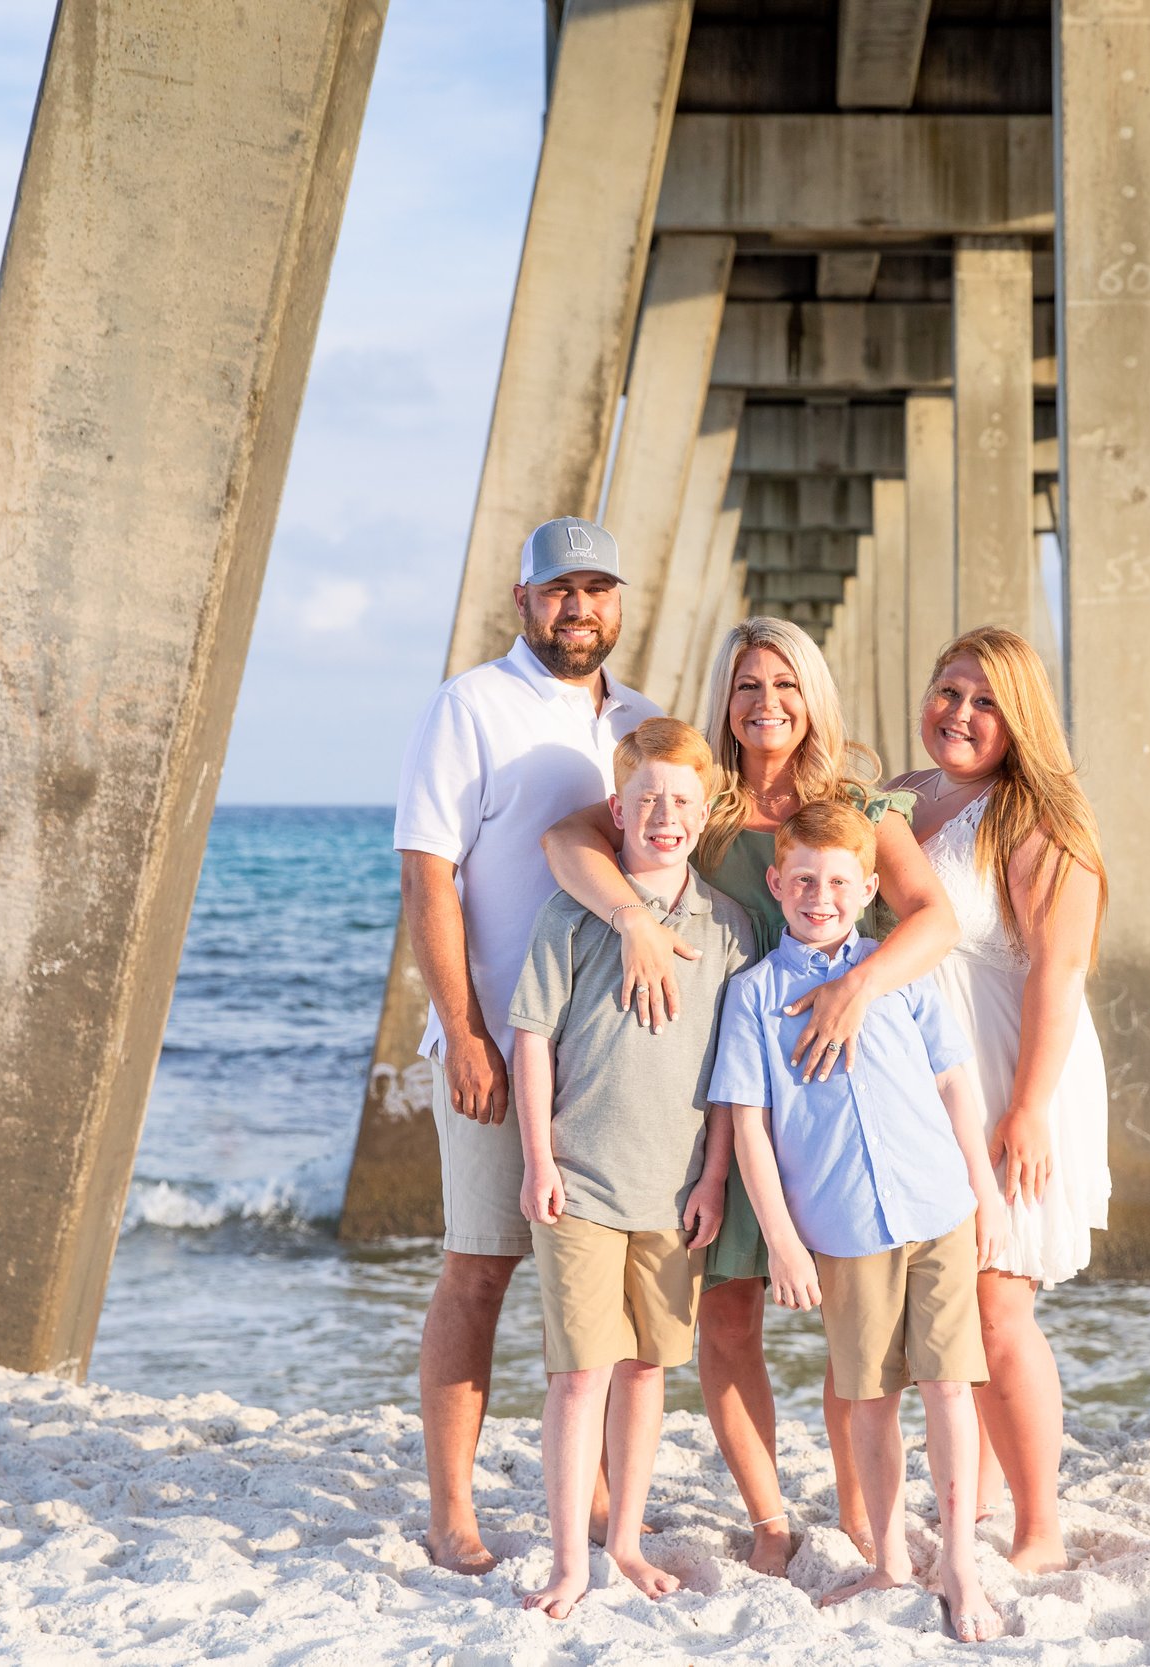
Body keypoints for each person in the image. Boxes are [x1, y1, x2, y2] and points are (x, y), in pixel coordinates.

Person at [539, 616, 960, 1573]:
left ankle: (862, 1515)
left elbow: (931, 919)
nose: (766, 703)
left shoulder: (862, 801)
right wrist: (630, 923)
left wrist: (858, 986)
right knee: (728, 1316)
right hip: (726, 1099)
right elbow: (565, 837)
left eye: (784, 684)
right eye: (745, 686)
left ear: (812, 693)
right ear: (725, 702)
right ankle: (772, 1519)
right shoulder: (704, 803)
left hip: (840, 1099)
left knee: (859, 1318)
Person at [392, 516, 660, 1574]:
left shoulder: (642, 720)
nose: (578, 607)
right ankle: (451, 1508)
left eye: (597, 588)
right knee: (479, 1270)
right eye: (559, 589)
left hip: (612, 1055)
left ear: (620, 602)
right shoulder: (469, 705)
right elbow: (428, 877)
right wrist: (461, 1031)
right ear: (524, 599)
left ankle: (594, 1488)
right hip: (500, 1044)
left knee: (596, 1276)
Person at [712, 800, 1009, 1643]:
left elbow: (955, 1083)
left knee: (951, 1386)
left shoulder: (896, 971)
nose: (820, 895)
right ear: (777, 883)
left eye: (840, 881)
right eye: (802, 880)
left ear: (868, 886)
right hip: (841, 1232)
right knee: (870, 1397)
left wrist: (985, 1193)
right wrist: (781, 1241)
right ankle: (890, 1561)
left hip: (938, 1206)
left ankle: (958, 1561)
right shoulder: (754, 997)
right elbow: (749, 1130)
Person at [510, 717, 756, 1619]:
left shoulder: (726, 929)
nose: (663, 815)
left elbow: (735, 1072)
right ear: (615, 807)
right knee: (580, 1373)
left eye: (682, 801)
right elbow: (531, 1036)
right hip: (577, 1179)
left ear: (705, 815)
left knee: (648, 1370)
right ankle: (570, 1558)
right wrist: (538, 1156)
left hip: (674, 1187)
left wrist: (716, 1177)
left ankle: (625, 1540)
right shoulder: (572, 911)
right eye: (646, 798)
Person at [889, 626, 1111, 1575]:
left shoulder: (1036, 823)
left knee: (997, 1301)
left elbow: (1057, 974)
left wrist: (1027, 1107)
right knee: (943, 1297)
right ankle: (973, 1497)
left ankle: (1039, 1527)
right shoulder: (906, 794)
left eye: (984, 701)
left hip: (1014, 1070)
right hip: (928, 1076)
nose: (961, 714)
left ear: (1019, 718)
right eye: (949, 691)